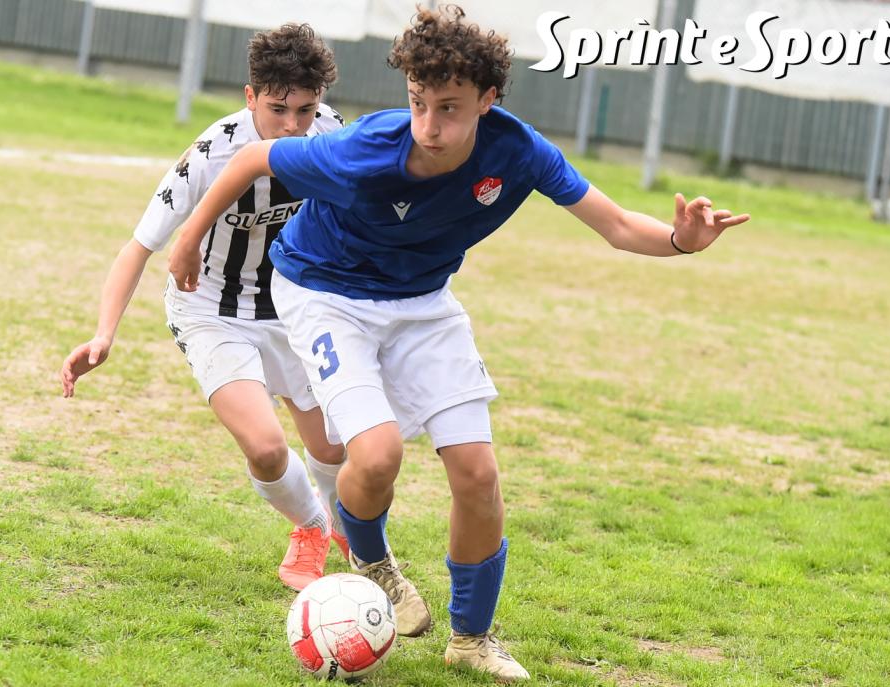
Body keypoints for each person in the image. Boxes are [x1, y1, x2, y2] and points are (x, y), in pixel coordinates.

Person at [168, 5, 750, 681]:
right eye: (418, 102)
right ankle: (371, 560)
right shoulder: (366, 149)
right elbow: (255, 156)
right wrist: (189, 237)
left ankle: (471, 638)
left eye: (448, 108)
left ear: (487, 99)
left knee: (478, 473)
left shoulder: (519, 151)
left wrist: (682, 240)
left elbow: (617, 225)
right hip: (325, 292)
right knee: (376, 455)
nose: (429, 126)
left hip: (422, 303)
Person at [60, 23, 351, 593]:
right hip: (210, 311)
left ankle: (349, 529)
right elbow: (138, 247)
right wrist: (103, 334)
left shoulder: (332, 132)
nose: (292, 126)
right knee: (266, 448)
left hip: (294, 307)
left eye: (305, 110)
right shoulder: (211, 153)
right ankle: (312, 526)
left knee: (333, 448)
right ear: (250, 97)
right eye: (277, 110)